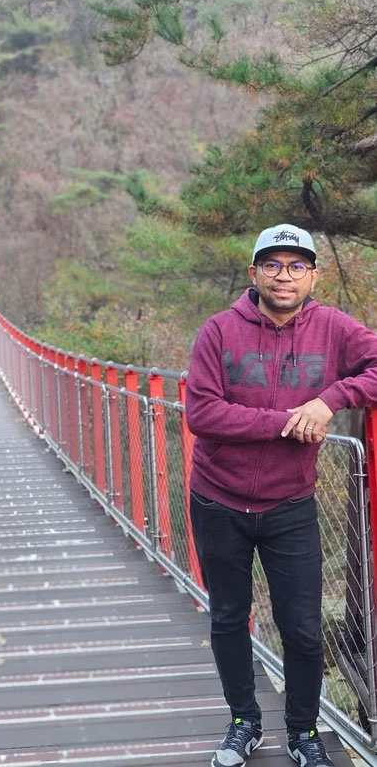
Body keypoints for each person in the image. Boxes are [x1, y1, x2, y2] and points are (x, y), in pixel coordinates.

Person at [185, 224, 377, 767]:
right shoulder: (219, 332)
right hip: (217, 499)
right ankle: (244, 723)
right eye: (273, 264)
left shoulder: (334, 329)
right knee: (228, 616)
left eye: (297, 266)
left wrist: (333, 397)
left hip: (291, 503)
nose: (284, 275)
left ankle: (302, 730)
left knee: (303, 627)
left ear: (314, 275)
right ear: (254, 273)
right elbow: (201, 413)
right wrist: (288, 421)